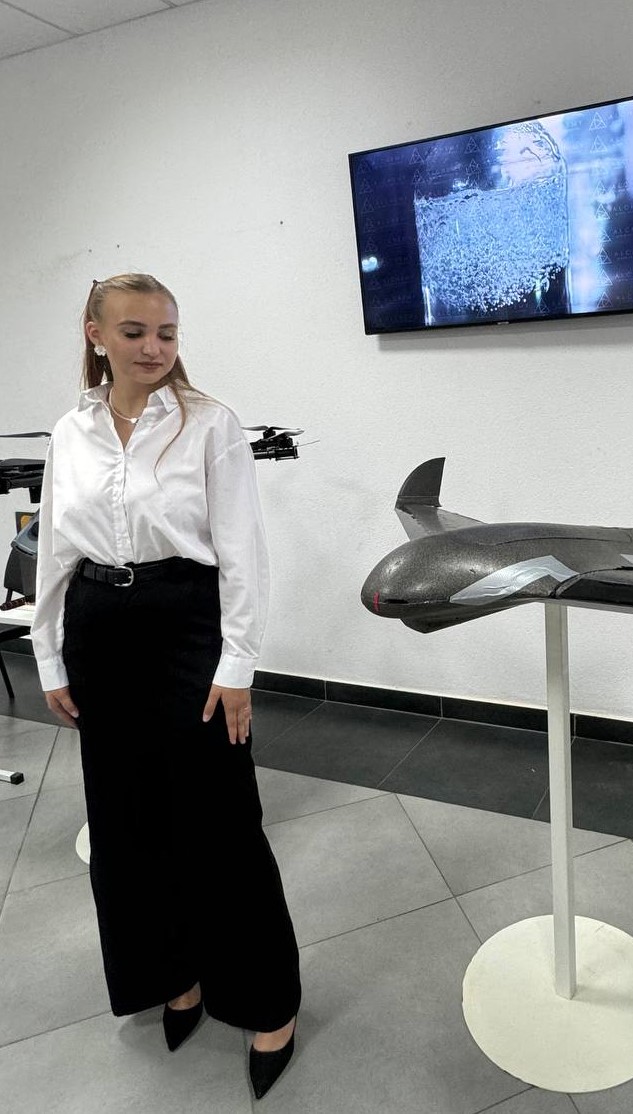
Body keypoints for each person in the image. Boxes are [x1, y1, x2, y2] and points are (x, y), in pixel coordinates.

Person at [32, 274, 301, 1101]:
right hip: (97, 628)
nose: (154, 347)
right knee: (125, 823)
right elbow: (56, 549)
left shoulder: (209, 424)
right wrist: (48, 655)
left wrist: (236, 665)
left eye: (168, 333)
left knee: (222, 821)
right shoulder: (70, 430)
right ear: (96, 334)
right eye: (135, 331)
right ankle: (170, 977)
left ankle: (266, 1003)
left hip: (186, 623)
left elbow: (243, 550)